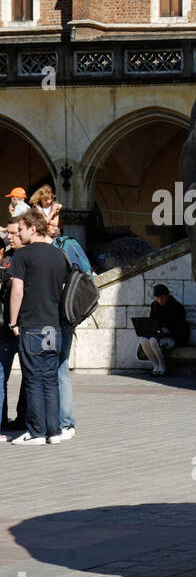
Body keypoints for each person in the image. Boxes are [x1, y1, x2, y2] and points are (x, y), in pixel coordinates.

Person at [6, 209, 68, 445]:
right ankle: (54, 432)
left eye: (21, 229)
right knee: (50, 378)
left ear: (33, 228)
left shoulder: (23, 256)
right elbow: (62, 290)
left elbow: (17, 291)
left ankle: (36, 432)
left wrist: (13, 322)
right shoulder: (60, 255)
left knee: (32, 379)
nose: (18, 234)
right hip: (53, 326)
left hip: (31, 325)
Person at [33, 186, 88, 441]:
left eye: (53, 215)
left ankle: (66, 422)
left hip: (63, 315)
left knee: (60, 367)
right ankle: (49, 422)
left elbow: (86, 275)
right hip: (45, 316)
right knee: (48, 368)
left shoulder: (69, 244)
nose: (49, 220)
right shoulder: (38, 246)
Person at [138, 284, 190, 375]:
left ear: (167, 296)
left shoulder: (177, 307)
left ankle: (162, 366)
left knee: (153, 341)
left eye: (162, 297)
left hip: (175, 336)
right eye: (157, 298)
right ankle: (155, 366)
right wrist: (153, 329)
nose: (160, 300)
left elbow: (182, 326)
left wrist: (170, 330)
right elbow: (152, 322)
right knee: (143, 339)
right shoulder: (154, 306)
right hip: (159, 334)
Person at [0, 216, 20, 430]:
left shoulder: (14, 262)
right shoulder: (10, 257)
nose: (10, 237)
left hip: (11, 329)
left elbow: (17, 288)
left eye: (15, 233)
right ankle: (4, 420)